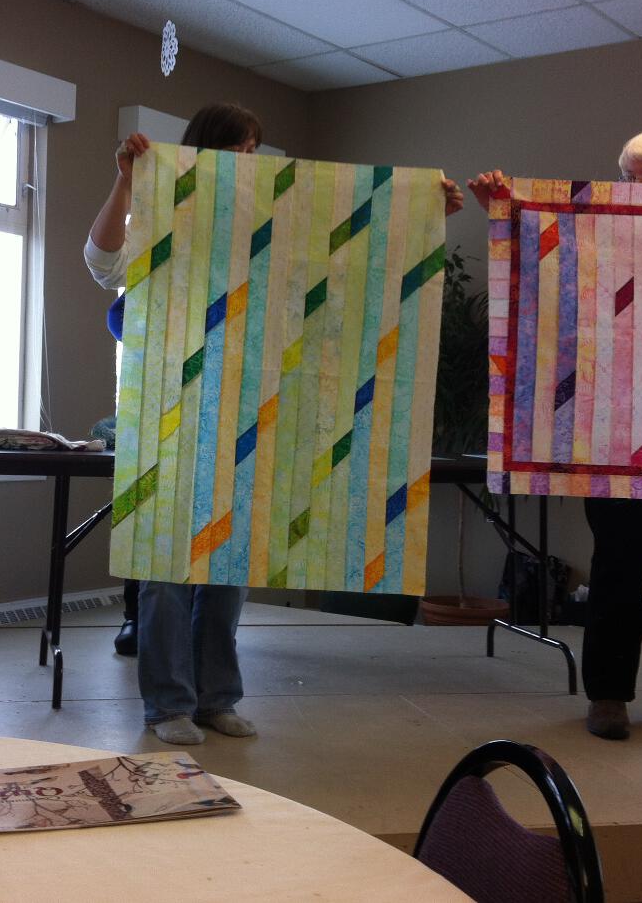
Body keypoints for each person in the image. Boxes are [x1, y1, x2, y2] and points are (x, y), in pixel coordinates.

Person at [86, 103, 464, 744]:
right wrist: (126, 180)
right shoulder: (166, 213)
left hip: (250, 416)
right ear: (203, 153)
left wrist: (425, 217)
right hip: (170, 418)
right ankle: (168, 705)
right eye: (235, 149)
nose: (246, 162)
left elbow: (353, 269)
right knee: (166, 565)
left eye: (252, 150)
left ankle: (216, 698)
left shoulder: (277, 223)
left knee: (231, 561)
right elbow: (102, 263)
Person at [468, 126, 642, 742]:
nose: (635, 186)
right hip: (614, 438)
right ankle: (607, 696)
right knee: (616, 573)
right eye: (629, 175)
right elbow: (547, 270)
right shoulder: (601, 234)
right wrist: (504, 210)